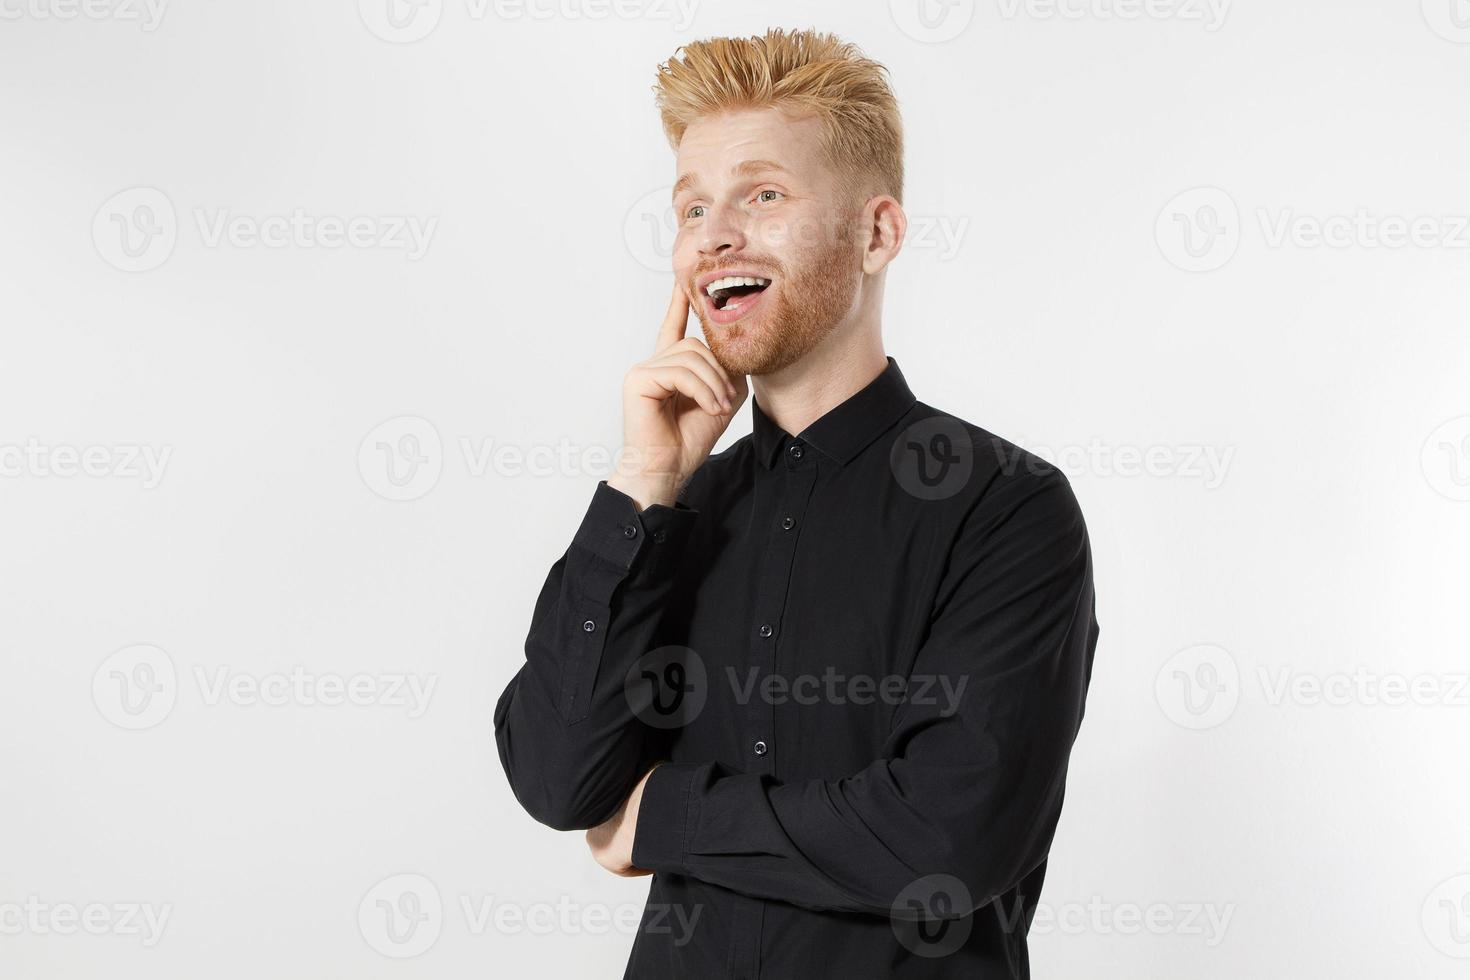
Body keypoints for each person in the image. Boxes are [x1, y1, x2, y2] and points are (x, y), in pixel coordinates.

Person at [494, 27, 1100, 979]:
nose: (715, 235)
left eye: (763, 195)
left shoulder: (1008, 509)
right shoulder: (674, 510)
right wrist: (642, 487)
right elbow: (557, 778)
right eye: (692, 207)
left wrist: (662, 817)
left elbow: (944, 839)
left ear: (877, 232)